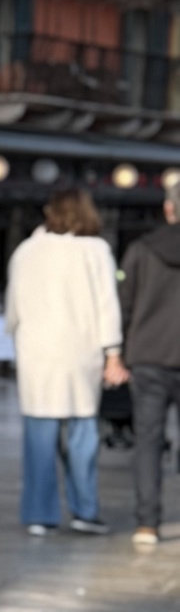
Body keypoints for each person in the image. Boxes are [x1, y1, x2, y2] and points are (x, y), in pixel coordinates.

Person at [4, 189, 124, 538]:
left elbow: (13, 308)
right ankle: (84, 510)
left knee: (39, 438)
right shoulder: (95, 250)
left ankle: (39, 514)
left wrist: (17, 332)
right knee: (83, 436)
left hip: (37, 353)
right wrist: (113, 351)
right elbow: (107, 304)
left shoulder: (26, 251)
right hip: (80, 352)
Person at [119, 186, 180, 546]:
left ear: (169, 208)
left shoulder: (142, 250)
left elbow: (124, 304)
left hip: (148, 356)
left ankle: (147, 523)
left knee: (148, 441)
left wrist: (117, 353)